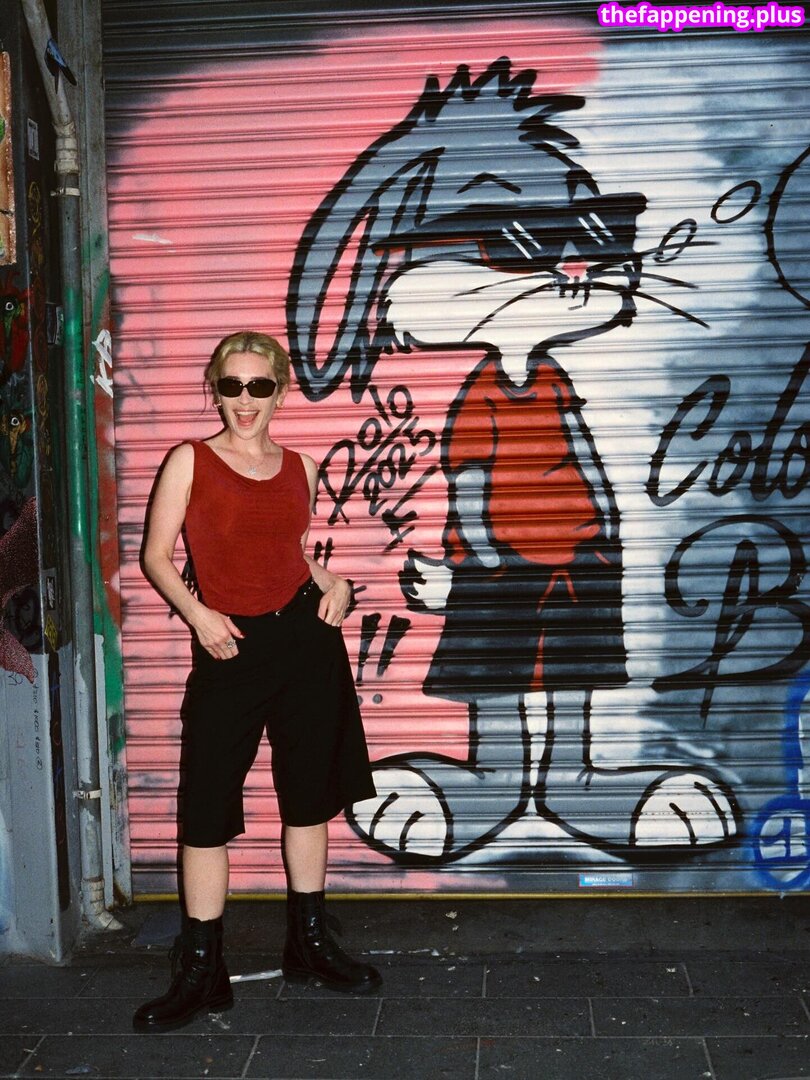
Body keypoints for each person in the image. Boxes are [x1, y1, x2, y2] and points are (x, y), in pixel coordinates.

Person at [133, 330, 380, 1034]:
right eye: (231, 386)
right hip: (228, 644)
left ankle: (309, 946)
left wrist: (335, 582)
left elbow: (290, 553)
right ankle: (201, 972)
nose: (245, 400)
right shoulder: (190, 459)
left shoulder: (301, 467)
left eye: (260, 386)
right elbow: (155, 556)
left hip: (304, 641)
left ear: (280, 390)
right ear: (215, 390)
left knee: (309, 799)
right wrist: (199, 616)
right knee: (206, 807)